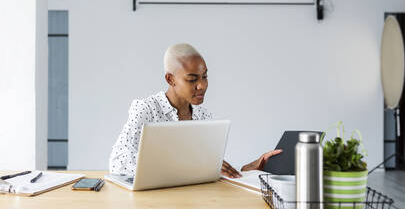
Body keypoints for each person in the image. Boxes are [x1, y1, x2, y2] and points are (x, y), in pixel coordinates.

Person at [109, 43, 282, 178]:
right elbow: (118, 163)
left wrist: (247, 169)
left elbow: (206, 170)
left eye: (204, 76)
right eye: (192, 79)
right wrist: (185, 164)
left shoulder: (203, 116)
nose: (202, 86)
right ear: (170, 79)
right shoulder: (147, 109)